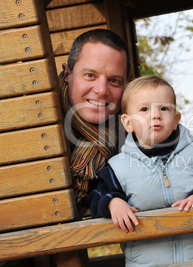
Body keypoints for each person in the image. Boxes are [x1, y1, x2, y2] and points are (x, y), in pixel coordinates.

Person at [85, 75, 193, 266]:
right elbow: (95, 194)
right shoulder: (118, 167)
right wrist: (113, 202)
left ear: (175, 120)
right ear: (128, 123)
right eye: (144, 109)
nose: (155, 115)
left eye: (164, 109)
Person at [59, 29, 131, 208]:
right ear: (68, 74)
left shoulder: (137, 130)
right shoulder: (36, 116)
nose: (101, 90)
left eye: (114, 81)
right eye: (90, 75)